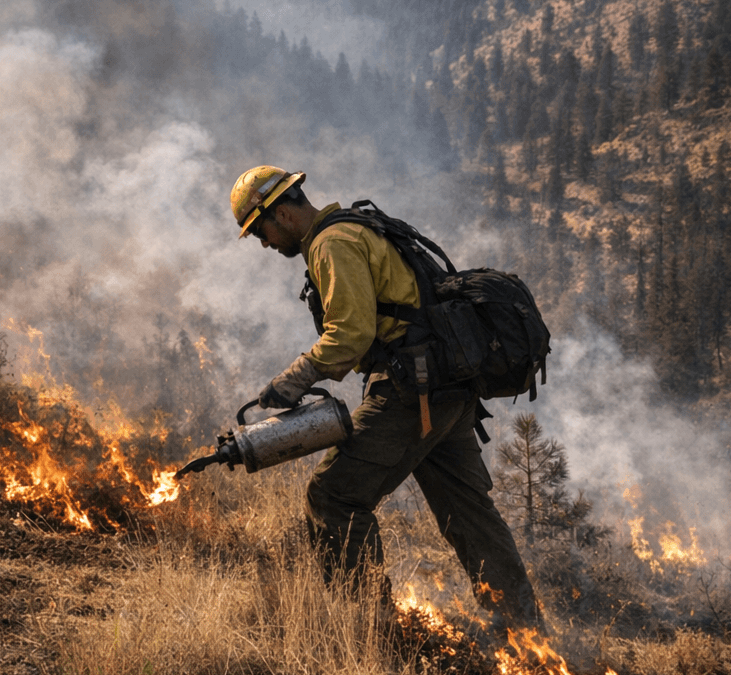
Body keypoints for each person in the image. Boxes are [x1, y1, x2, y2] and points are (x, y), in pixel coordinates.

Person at [231, 165, 542, 629]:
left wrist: (291, 381)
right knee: (470, 514)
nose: (264, 242)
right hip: (448, 392)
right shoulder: (358, 225)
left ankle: (368, 627)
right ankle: (525, 631)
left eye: (261, 229)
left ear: (281, 213)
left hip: (410, 393)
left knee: (332, 495)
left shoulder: (331, 244)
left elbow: (349, 335)